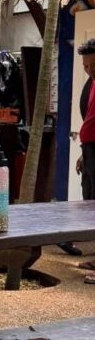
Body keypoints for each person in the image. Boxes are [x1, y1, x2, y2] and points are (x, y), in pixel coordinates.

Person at [73, 38, 95, 281]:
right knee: (91, 203)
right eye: (86, 66)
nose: (90, 70)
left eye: (94, 65)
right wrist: (83, 151)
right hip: (90, 150)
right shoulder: (91, 85)